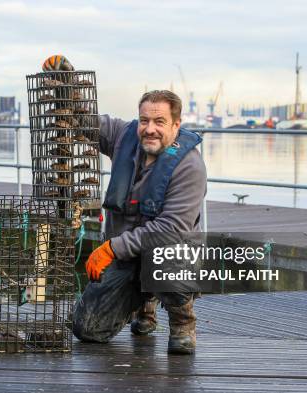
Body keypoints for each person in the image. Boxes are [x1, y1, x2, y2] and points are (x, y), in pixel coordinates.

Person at [72, 90, 207, 355]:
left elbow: (170, 230)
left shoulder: (190, 167)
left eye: (160, 122)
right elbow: (84, 120)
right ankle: (142, 300)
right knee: (86, 329)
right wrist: (67, 83)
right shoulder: (124, 136)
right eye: (144, 120)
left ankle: (182, 321)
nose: (150, 129)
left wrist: (110, 249)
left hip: (168, 252)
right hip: (126, 255)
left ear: (176, 125)